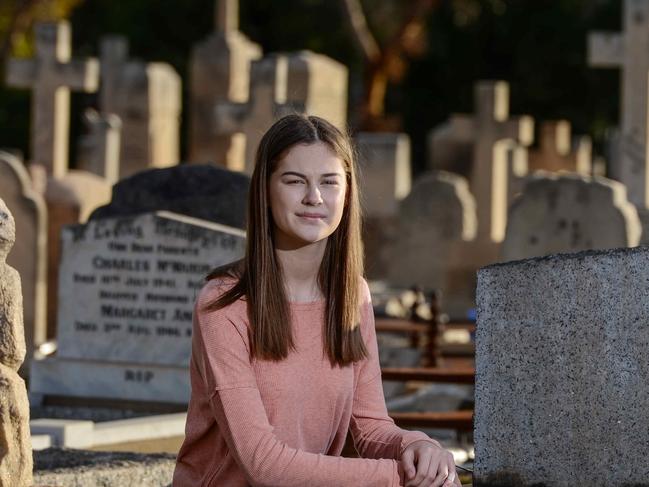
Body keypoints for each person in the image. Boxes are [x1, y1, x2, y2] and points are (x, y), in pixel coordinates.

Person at [173, 114, 461, 487]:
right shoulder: (224, 304)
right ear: (265, 190)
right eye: (295, 181)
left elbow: (370, 426)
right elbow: (263, 464)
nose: (314, 197)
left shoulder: (352, 295)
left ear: (347, 192)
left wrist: (418, 447)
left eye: (329, 182)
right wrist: (400, 477)